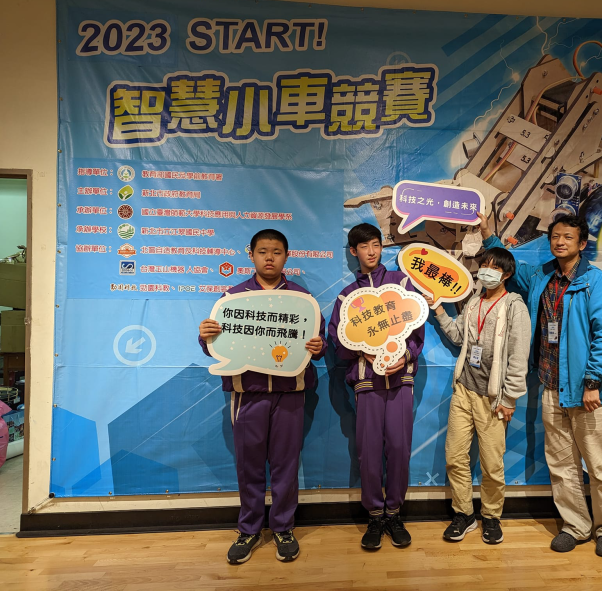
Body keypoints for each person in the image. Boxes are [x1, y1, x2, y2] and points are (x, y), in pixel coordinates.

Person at [478, 213, 602, 558]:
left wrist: (593, 382)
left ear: (582, 244)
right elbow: (510, 265)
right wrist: (487, 234)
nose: (560, 242)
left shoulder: (596, 283)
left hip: (589, 392)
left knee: (600, 466)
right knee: (561, 465)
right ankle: (576, 526)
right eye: (555, 236)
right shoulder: (541, 276)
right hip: (550, 387)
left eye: (568, 237)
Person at [199, 228, 327, 565]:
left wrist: (319, 346)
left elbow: (319, 341)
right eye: (262, 251)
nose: (269, 258)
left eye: (276, 252)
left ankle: (283, 527)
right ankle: (249, 529)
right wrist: (206, 335)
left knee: (286, 464)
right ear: (251, 255)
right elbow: (217, 346)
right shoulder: (233, 299)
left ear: (287, 256)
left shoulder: (302, 299)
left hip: (290, 393)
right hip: (248, 394)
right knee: (249, 464)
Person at [328, 223, 424, 550]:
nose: (371, 251)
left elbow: (417, 331)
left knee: (398, 448)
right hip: (366, 382)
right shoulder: (347, 296)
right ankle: (374, 515)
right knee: (368, 451)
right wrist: (361, 350)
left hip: (400, 381)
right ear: (353, 251)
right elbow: (336, 339)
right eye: (364, 246)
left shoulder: (401, 283)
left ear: (382, 247)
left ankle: (394, 513)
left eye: (376, 244)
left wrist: (406, 356)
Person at [428, 247, 531, 545]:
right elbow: (459, 337)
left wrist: (509, 398)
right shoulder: (474, 302)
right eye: (484, 265)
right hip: (463, 390)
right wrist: (439, 310)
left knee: (492, 464)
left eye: (494, 267)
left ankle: (491, 516)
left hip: (493, 398)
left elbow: (518, 357)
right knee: (454, 457)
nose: (486, 271)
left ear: (506, 274)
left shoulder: (514, 307)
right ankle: (464, 514)